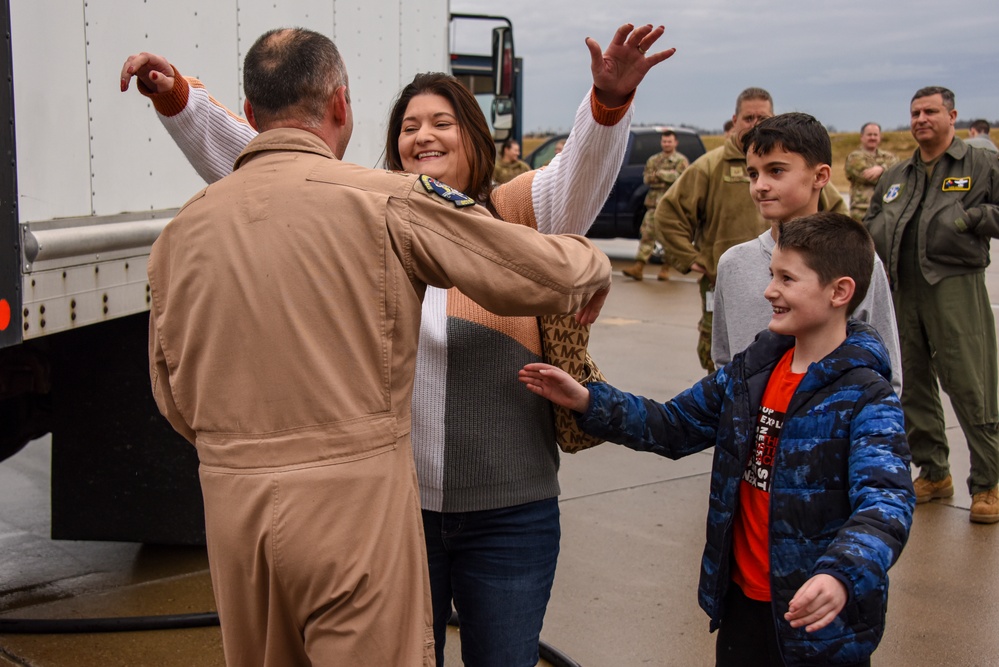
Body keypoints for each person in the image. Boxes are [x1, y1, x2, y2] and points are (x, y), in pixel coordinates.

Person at [124, 23, 675, 666]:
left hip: (506, 511)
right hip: (401, 510)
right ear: (352, 116)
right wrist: (185, 108)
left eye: (442, 122)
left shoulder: (517, 213)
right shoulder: (375, 211)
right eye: (409, 125)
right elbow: (279, 167)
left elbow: (577, 176)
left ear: (475, 135)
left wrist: (606, 109)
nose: (423, 135)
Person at [520, 212, 915, 667]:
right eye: (772, 275)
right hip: (742, 605)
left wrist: (842, 575)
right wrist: (588, 401)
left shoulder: (866, 395)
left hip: (820, 622)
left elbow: (886, 502)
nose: (770, 290)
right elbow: (673, 424)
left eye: (787, 279)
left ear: (839, 292)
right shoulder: (751, 373)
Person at [866, 86, 999, 524]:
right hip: (902, 290)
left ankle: (988, 483)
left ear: (952, 115)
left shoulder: (979, 163)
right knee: (913, 383)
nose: (921, 118)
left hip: (955, 287)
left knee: (970, 383)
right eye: (915, 112)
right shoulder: (897, 175)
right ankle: (934, 471)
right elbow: (871, 223)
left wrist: (970, 219)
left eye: (930, 111)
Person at [656, 87, 846, 373]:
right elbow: (668, 214)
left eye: (763, 117)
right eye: (749, 118)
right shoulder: (710, 166)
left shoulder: (799, 168)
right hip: (726, 280)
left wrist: (828, 255)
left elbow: (838, 214)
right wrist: (693, 259)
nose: (761, 185)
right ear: (735, 120)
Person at [712, 113, 902, 397]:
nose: (760, 185)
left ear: (820, 176)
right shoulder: (733, 264)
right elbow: (724, 365)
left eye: (776, 170)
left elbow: (887, 378)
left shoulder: (857, 262)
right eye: (753, 173)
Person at [622, 128, 688, 281]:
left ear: (675, 143)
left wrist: (660, 175)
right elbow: (647, 178)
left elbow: (680, 178)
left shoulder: (680, 161)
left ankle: (666, 269)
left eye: (669, 141)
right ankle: (638, 267)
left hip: (671, 205)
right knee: (646, 234)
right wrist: (665, 176)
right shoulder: (653, 160)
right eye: (664, 141)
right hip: (653, 204)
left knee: (669, 237)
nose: (666, 144)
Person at [844, 122, 899, 221]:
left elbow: (898, 172)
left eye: (875, 135)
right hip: (861, 210)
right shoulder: (854, 157)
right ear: (862, 137)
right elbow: (867, 177)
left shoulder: (889, 156)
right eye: (869, 135)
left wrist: (882, 169)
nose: (872, 137)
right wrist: (888, 172)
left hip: (884, 210)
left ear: (880, 137)